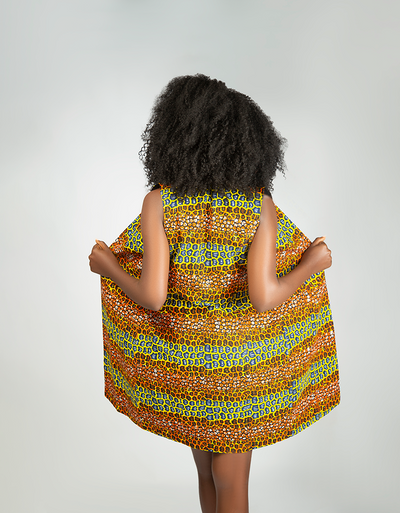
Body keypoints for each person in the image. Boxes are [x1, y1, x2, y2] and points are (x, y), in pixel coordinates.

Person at [89, 74, 339, 513]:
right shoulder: (256, 204)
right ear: (248, 142)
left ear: (172, 138)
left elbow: (152, 296)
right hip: (240, 372)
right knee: (231, 478)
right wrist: (311, 264)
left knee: (206, 473)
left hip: (187, 369)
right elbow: (264, 297)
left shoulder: (159, 202)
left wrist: (108, 266)